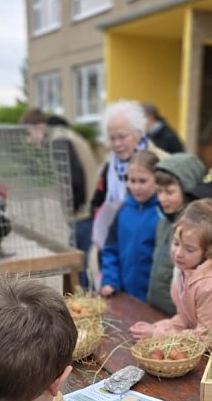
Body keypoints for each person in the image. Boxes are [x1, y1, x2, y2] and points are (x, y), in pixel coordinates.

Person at [131, 200, 212, 347]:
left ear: (209, 251)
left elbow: (207, 338)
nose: (178, 253)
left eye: (189, 249)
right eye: (176, 243)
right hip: (201, 346)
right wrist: (158, 328)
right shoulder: (186, 269)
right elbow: (187, 318)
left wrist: (158, 335)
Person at [20, 109, 99, 288]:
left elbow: (74, 178)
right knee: (81, 258)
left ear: (39, 127)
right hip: (86, 208)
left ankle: (86, 299)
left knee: (79, 262)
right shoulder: (64, 135)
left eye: (28, 133)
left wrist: (73, 208)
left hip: (82, 212)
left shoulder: (59, 140)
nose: (28, 139)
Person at [90, 100, 166, 254]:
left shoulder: (161, 162)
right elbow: (98, 202)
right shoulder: (109, 166)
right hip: (115, 245)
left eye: (122, 137)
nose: (117, 144)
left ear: (139, 133)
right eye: (112, 138)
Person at [146, 152, 206, 315]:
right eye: (159, 192)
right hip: (155, 308)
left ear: (188, 190)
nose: (162, 198)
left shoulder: (196, 230)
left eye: (169, 192)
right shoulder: (164, 222)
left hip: (178, 317)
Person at [99, 150, 161, 301]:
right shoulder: (122, 210)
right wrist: (110, 280)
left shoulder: (162, 214)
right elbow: (110, 250)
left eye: (143, 181)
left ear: (157, 180)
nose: (136, 187)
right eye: (132, 181)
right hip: (124, 294)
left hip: (153, 299)